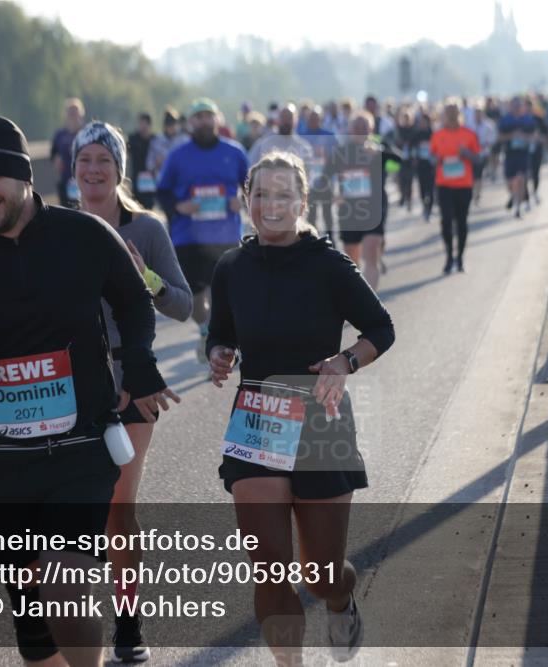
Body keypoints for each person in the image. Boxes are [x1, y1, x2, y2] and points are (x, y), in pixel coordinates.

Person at [0, 116, 172, 667]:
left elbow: (134, 302)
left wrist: (139, 363)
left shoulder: (85, 235)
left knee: (64, 585)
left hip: (79, 446)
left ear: (24, 176)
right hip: (0, 458)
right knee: (32, 622)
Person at [207, 150, 395, 665]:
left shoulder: (328, 265)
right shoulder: (232, 267)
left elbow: (381, 328)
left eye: (283, 194)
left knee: (322, 574)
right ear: (247, 199)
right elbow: (221, 332)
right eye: (260, 194)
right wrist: (219, 353)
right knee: (269, 568)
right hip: (258, 418)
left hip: (319, 419)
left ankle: (340, 600)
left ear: (303, 202)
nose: (270, 205)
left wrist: (344, 362)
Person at [72, 121, 190, 663]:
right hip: (71, 385)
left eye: (104, 160)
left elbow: (182, 305)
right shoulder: (57, 229)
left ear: (120, 170)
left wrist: (148, 279)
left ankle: (127, 621)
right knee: (73, 511)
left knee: (119, 509)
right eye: (85, 160)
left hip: (131, 383)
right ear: (72, 168)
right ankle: (73, 623)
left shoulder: (147, 230)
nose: (94, 169)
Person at [156, 98, 249, 363]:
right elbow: (162, 192)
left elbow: (253, 185)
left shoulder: (235, 152)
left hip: (226, 235)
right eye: (199, 117)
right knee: (195, 298)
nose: (205, 121)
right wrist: (179, 207)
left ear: (218, 119)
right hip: (189, 237)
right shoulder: (178, 155)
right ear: (190, 123)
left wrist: (242, 200)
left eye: (209, 116)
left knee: (226, 293)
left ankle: (219, 338)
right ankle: (207, 329)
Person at [324, 111, 402, 291]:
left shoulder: (379, 148)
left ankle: (370, 302)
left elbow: (399, 161)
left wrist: (381, 152)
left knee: (371, 251)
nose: (360, 130)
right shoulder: (342, 152)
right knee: (353, 261)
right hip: (349, 210)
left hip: (373, 209)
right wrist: (333, 194)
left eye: (364, 127)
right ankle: (358, 296)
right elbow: (326, 176)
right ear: (350, 129)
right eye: (356, 127)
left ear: (371, 129)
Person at [430, 102, 480, 274]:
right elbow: (431, 157)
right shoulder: (438, 135)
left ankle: (460, 258)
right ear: (443, 116)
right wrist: (437, 160)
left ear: (460, 115)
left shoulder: (469, 134)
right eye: (448, 113)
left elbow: (478, 158)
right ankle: (449, 256)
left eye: (454, 112)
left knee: (461, 222)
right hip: (444, 185)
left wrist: (467, 153)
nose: (451, 116)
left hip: (464, 185)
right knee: (446, 221)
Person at [301, 108, 339, 245]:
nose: (313, 121)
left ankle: (331, 238)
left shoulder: (330, 136)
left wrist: (332, 178)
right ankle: (313, 239)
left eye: (316, 118)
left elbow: (336, 157)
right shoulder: (301, 136)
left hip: (325, 178)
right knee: (311, 211)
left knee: (327, 210)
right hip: (308, 181)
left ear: (321, 119)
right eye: (311, 118)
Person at [498, 97, 536, 219]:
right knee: (510, 182)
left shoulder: (528, 119)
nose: (516, 108)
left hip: (523, 154)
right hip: (509, 154)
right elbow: (499, 137)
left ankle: (518, 207)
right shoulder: (505, 120)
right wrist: (512, 135)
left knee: (521, 179)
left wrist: (524, 136)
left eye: (518, 106)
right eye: (514, 106)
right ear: (510, 106)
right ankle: (514, 196)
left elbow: (533, 136)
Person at [247, 103, 313, 166]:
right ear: (277, 119)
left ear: (296, 120)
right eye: (283, 117)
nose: (286, 121)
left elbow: (308, 169)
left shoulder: (303, 147)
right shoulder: (264, 143)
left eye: (289, 118)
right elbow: (251, 164)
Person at [49, 97, 85, 208]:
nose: (73, 116)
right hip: (65, 181)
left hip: (84, 181)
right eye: (70, 113)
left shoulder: (86, 133)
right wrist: (56, 160)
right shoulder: (60, 135)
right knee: (66, 211)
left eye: (75, 113)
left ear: (81, 114)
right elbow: (53, 154)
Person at [128, 113, 158, 210]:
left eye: (145, 124)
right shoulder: (133, 139)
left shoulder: (155, 140)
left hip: (151, 180)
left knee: (149, 208)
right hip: (137, 179)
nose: (143, 126)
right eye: (141, 123)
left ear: (149, 125)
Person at [412, 111, 435, 221]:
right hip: (420, 165)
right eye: (420, 122)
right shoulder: (417, 134)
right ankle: (424, 207)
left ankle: (429, 209)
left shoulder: (433, 134)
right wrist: (414, 158)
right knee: (422, 188)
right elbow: (413, 148)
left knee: (430, 189)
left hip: (431, 165)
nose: (422, 124)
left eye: (424, 122)